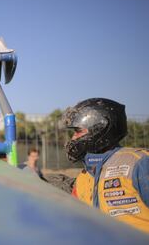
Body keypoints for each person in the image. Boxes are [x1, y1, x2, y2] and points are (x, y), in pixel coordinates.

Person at [62, 98, 149, 233]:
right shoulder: (83, 178)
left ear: (99, 129)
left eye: (78, 131)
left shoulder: (139, 163)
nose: (73, 138)